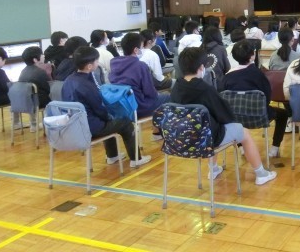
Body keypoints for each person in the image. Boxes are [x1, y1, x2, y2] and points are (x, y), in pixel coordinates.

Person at [171, 47, 277, 185]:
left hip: (181, 137)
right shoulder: (205, 90)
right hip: (206, 138)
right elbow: (225, 115)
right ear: (201, 67)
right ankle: (261, 174)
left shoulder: (176, 87)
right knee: (243, 132)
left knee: (209, 125)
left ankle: (214, 169)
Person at [61, 46, 151, 168]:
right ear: (89, 66)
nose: (98, 63)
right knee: (124, 123)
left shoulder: (68, 80)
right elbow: (99, 109)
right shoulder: (86, 85)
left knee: (108, 121)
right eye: (96, 61)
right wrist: (110, 116)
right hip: (90, 128)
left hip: (75, 127)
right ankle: (136, 159)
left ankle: (112, 156)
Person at [222, 40, 289, 158]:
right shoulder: (258, 74)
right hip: (260, 117)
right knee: (283, 114)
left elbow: (223, 100)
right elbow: (267, 97)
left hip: (235, 118)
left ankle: (242, 147)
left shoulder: (227, 77)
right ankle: (274, 148)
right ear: (252, 55)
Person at [109, 32, 170, 134]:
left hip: (122, 106)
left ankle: (157, 129)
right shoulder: (140, 66)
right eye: (141, 47)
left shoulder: (114, 63)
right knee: (168, 97)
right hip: (139, 106)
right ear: (136, 50)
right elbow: (150, 92)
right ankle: (159, 130)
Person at [18, 46, 51, 132]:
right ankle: (49, 123)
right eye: (42, 54)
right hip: (37, 102)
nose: (43, 56)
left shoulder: (23, 71)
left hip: (26, 102)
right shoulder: (40, 72)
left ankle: (34, 124)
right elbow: (48, 88)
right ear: (35, 59)